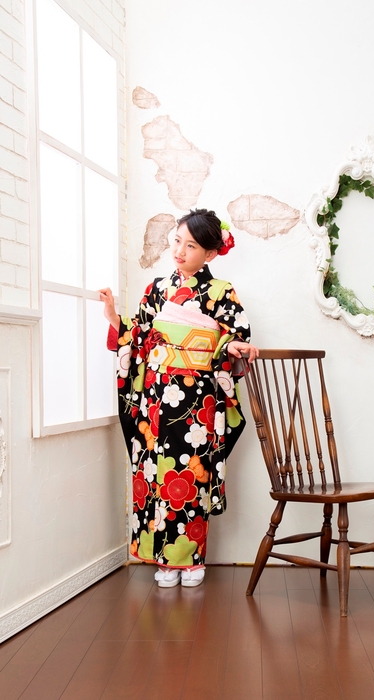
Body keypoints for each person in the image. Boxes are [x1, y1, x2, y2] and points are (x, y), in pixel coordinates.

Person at [99, 209, 258, 588]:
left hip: (197, 398)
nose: (180, 251)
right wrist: (115, 319)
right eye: (177, 241)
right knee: (156, 470)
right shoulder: (156, 288)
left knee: (190, 472)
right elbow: (138, 336)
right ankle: (164, 560)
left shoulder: (221, 292)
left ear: (211, 253)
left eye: (191, 246)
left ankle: (191, 558)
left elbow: (236, 335)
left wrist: (233, 344)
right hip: (155, 395)